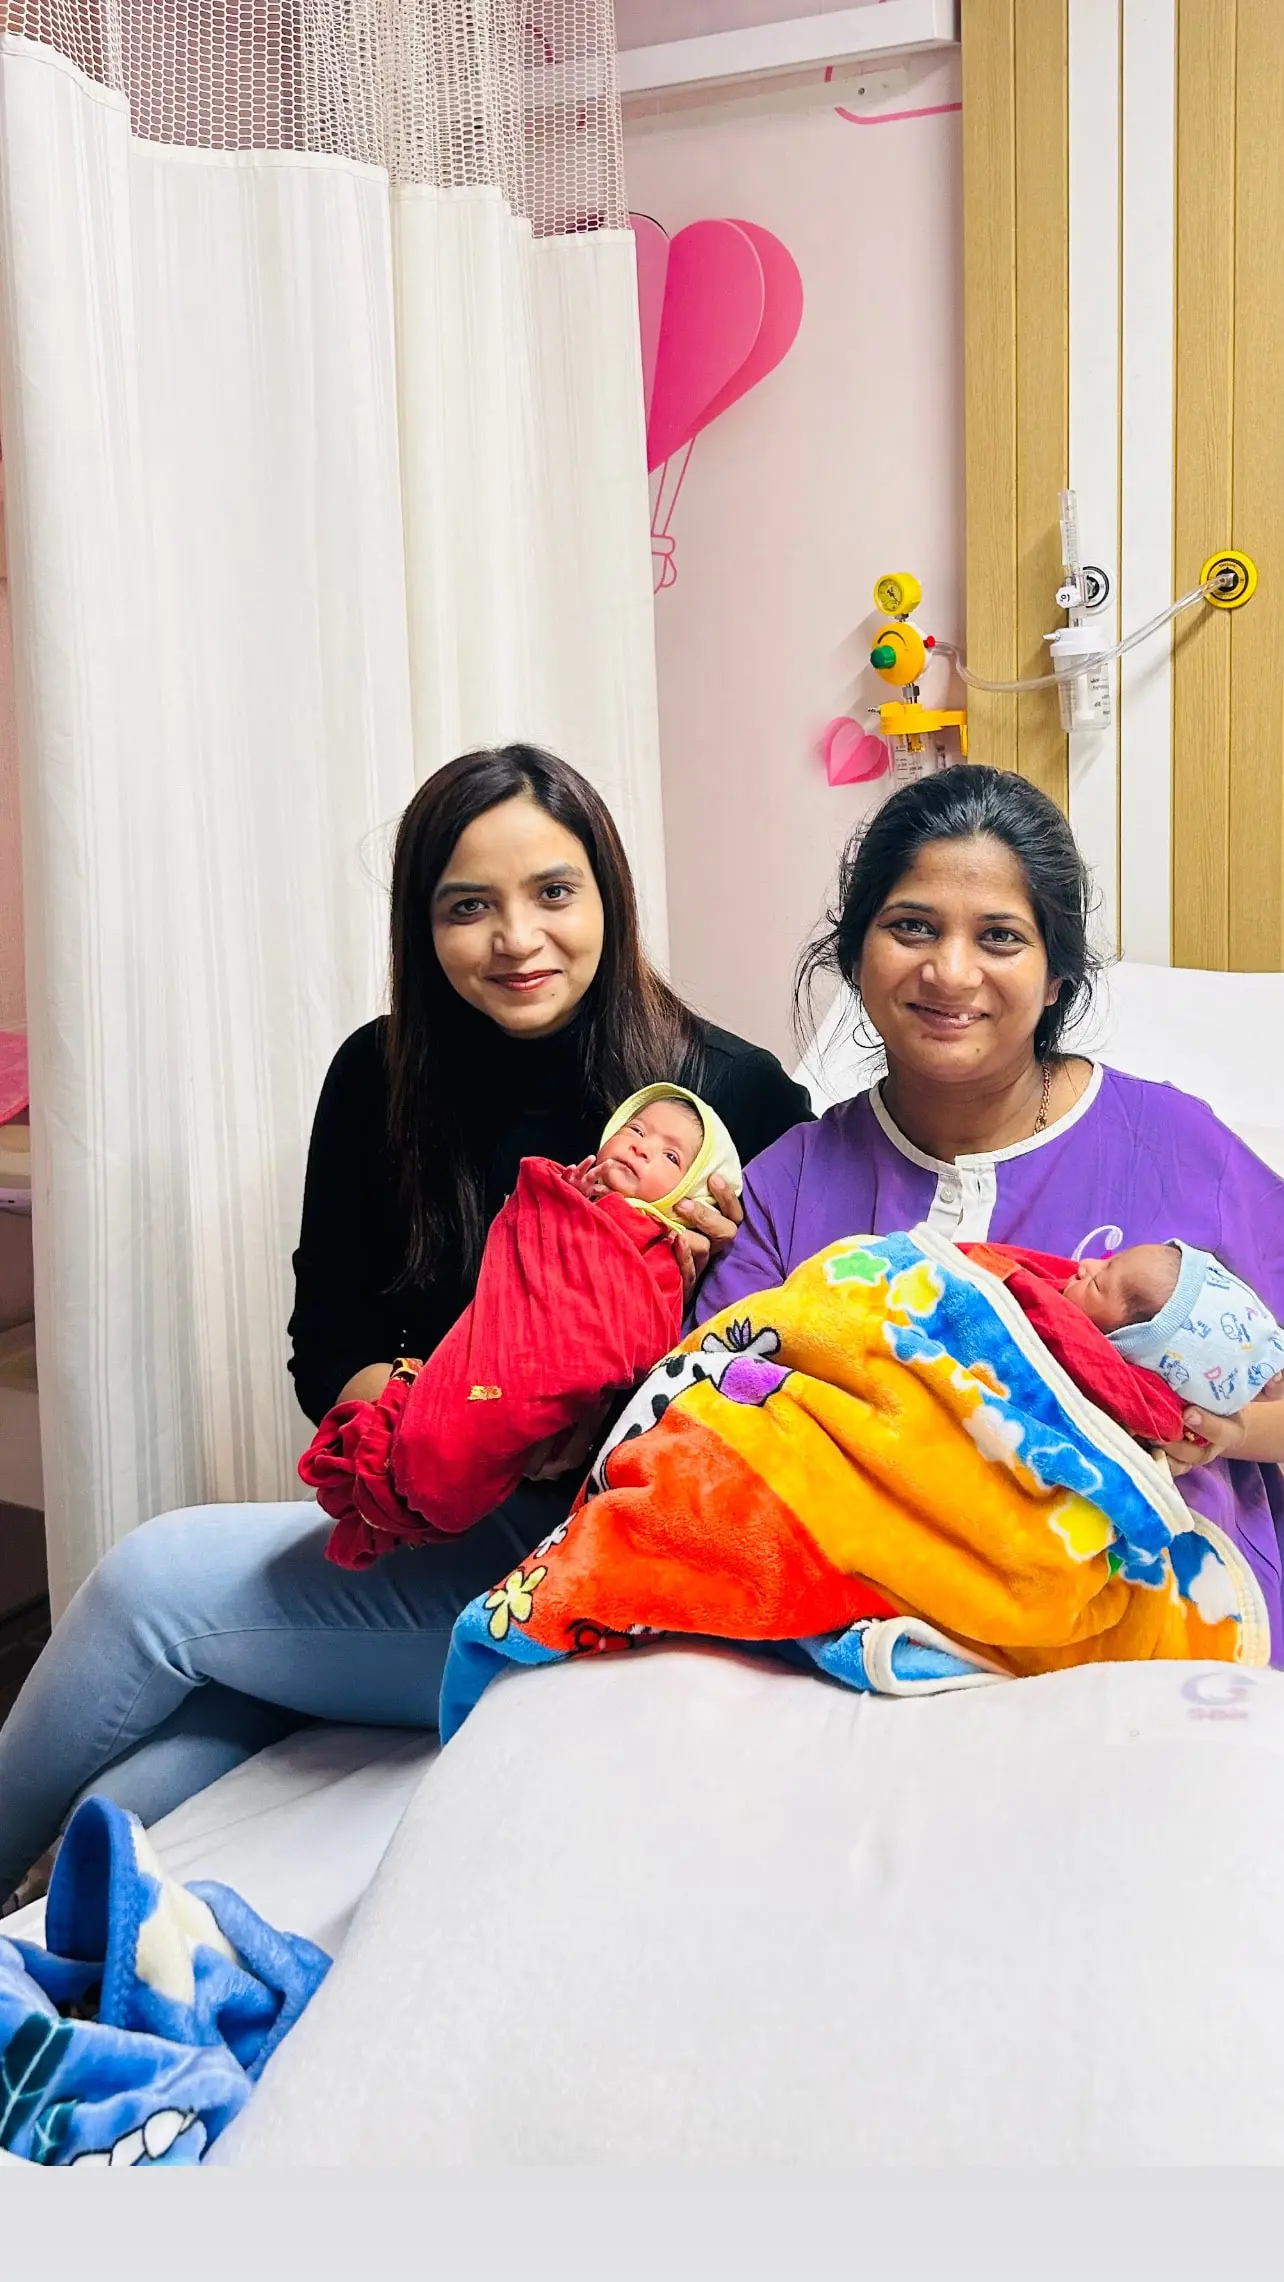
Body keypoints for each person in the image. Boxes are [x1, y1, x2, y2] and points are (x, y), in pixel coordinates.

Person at [0, 746, 809, 1906]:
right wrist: (444, 1408)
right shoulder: (378, 1076)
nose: (516, 938)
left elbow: (794, 1385)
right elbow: (322, 1345)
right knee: (152, 1769)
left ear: (609, 897)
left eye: (553, 892)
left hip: (589, 1568)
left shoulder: (729, 1099)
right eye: (468, 906)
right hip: (430, 1517)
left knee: (148, 1584)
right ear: (422, 924)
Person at [697, 764, 1284, 1661]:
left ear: (1056, 978)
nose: (951, 970)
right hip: (860, 1642)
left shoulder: (1177, 1151)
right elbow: (707, 1427)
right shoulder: (793, 1186)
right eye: (912, 927)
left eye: (1001, 937)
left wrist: (1230, 1432)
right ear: (858, 954)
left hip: (1161, 1642)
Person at [301, 1084, 743, 1566]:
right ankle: (401, 1461)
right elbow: (328, 1350)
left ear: (692, 1190)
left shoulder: (663, 1244)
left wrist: (718, 1280)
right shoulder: (564, 1193)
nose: (641, 1146)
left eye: (670, 1156)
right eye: (634, 1130)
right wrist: (557, 1203)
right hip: (461, 1381)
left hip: (581, 1516)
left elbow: (639, 1335)